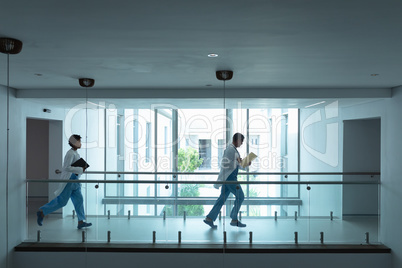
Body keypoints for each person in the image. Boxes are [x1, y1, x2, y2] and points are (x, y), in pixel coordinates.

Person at [36, 134, 92, 229]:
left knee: (79, 200)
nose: (80, 144)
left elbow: (75, 167)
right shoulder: (70, 153)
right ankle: (42, 211)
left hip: (75, 180)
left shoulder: (75, 153)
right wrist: (80, 169)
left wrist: (81, 169)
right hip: (70, 180)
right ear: (74, 143)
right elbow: (66, 167)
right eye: (79, 142)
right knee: (62, 202)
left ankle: (81, 221)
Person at [204, 133, 250, 228]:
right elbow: (227, 165)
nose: (241, 144)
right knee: (240, 196)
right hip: (230, 178)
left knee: (222, 198)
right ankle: (234, 219)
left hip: (228, 177)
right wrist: (240, 162)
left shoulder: (233, 150)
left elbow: (235, 165)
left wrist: (243, 163)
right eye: (241, 142)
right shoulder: (230, 150)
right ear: (237, 140)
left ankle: (209, 218)